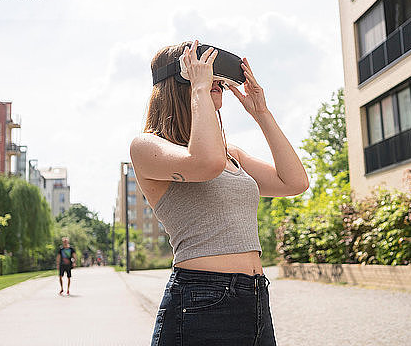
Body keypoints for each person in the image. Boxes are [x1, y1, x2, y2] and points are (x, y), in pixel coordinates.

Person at [130, 40, 309, 345]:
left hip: (254, 295)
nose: (215, 81)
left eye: (215, 77)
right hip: (201, 297)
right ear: (180, 79)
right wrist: (200, 88)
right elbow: (206, 163)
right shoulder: (147, 146)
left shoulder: (232, 154)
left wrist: (261, 112)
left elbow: (294, 182)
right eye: (201, 69)